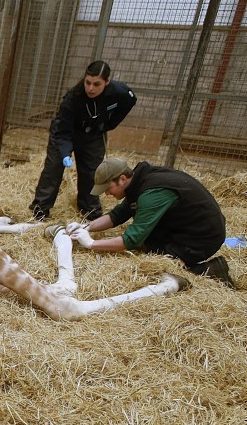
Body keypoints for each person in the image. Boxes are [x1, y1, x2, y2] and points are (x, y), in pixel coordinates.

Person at [65, 158, 233, 288]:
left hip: (202, 237)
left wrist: (91, 243)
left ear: (122, 179)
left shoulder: (150, 194)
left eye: (108, 189)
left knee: (159, 266)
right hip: (186, 226)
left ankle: (210, 270)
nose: (107, 194)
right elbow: (118, 215)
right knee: (148, 245)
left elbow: (132, 239)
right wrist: (86, 227)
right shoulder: (139, 181)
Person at [29, 60, 137, 222]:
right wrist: (65, 153)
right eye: (88, 82)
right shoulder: (73, 97)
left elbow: (130, 101)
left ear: (107, 82)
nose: (91, 88)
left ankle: (89, 210)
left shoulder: (119, 92)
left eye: (96, 84)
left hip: (93, 133)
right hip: (67, 130)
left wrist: (109, 124)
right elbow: (63, 133)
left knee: (92, 171)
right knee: (53, 169)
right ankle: (40, 209)